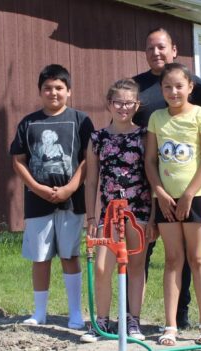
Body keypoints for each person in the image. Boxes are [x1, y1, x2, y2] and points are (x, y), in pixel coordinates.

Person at [132, 27, 201, 329]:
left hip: (188, 182)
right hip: (149, 184)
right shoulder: (136, 86)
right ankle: (133, 316)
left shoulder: (197, 87)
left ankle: (182, 314)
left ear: (174, 50)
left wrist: (192, 189)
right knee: (142, 249)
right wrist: (156, 187)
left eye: (161, 47)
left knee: (187, 255)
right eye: (150, 48)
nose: (156, 52)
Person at [10, 64, 94, 330]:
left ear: (68, 91)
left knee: (70, 255)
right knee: (40, 257)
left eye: (59, 88)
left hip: (72, 200)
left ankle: (75, 314)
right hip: (37, 202)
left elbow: (88, 159)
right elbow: (18, 160)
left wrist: (70, 187)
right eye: (48, 88)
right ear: (40, 91)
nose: (53, 93)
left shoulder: (80, 120)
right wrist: (37, 188)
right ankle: (40, 312)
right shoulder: (29, 122)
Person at [144, 63, 201, 345]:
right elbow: (150, 160)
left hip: (196, 196)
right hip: (164, 199)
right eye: (167, 87)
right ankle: (170, 325)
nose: (173, 92)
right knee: (173, 259)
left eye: (178, 86)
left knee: (197, 258)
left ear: (190, 88)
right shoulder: (156, 118)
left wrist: (188, 194)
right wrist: (160, 192)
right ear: (161, 90)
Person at [80, 79, 153, 342]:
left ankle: (132, 321)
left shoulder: (145, 136)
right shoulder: (98, 138)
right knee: (102, 267)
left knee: (135, 266)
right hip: (108, 213)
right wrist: (91, 216)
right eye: (118, 102)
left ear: (137, 105)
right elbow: (90, 181)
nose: (123, 107)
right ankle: (101, 322)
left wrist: (154, 215)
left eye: (129, 102)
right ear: (109, 104)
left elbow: (153, 176)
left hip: (139, 211)